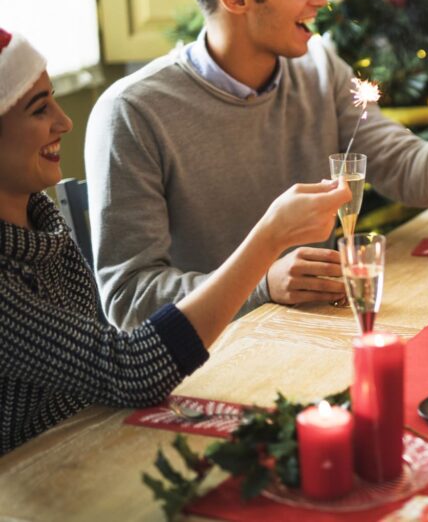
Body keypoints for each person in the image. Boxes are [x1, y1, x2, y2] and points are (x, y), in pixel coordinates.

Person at [85, 0, 428, 329]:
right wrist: (260, 285)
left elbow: (411, 173)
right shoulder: (132, 112)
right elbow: (128, 300)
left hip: (319, 332)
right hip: (210, 363)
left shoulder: (319, 69)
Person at [0, 28, 349, 453]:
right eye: (39, 110)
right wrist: (269, 239)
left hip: (103, 438)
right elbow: (130, 368)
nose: (64, 121)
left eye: (54, 99)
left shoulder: (40, 219)